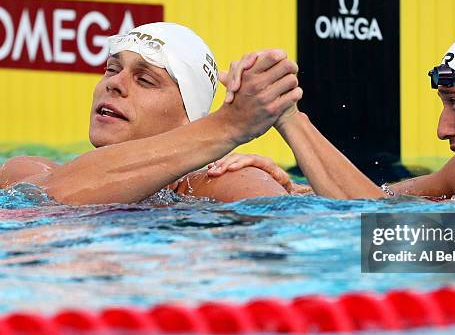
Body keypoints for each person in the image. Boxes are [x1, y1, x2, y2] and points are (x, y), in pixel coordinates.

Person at [208, 17, 455, 204]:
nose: (441, 129)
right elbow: (372, 205)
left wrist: (288, 116)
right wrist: (289, 190)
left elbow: (387, 246)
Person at [0, 22, 303, 205]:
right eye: (112, 69)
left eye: (145, 80)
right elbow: (59, 197)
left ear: (190, 120)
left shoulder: (217, 187)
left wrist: (297, 192)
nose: (114, 84)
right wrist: (230, 126)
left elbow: (347, 244)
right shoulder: (28, 172)